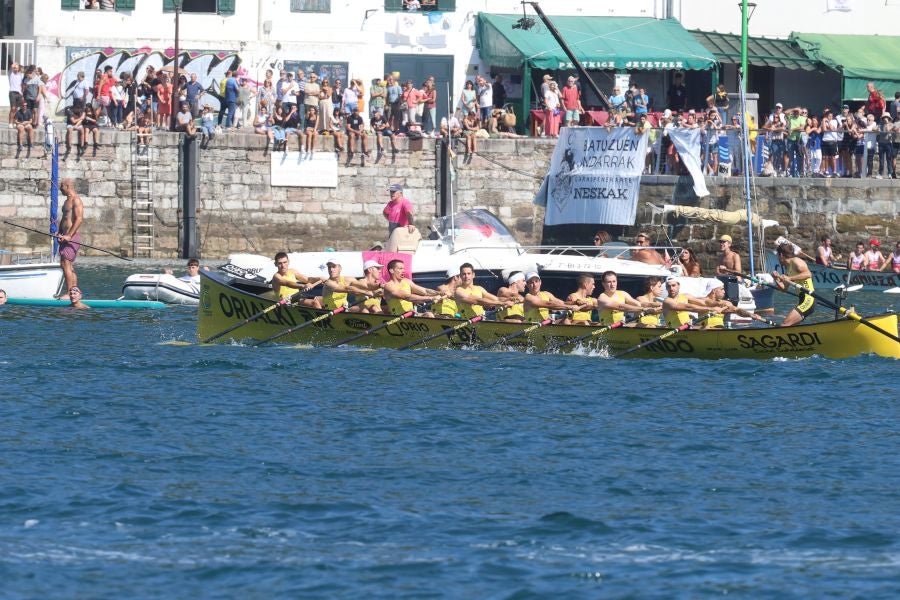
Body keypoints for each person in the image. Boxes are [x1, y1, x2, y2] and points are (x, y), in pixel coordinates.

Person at [772, 242, 815, 326]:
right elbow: (784, 289)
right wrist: (776, 279)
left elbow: (808, 274)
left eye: (777, 256)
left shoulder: (796, 261)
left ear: (781, 255)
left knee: (785, 324)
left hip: (808, 298)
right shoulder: (788, 269)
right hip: (802, 299)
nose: (777, 258)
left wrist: (790, 278)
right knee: (790, 326)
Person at [57, 179, 84, 299]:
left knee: (65, 262)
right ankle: (75, 292)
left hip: (72, 237)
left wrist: (69, 235)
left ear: (67, 186)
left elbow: (79, 219)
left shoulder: (76, 200)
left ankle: (69, 293)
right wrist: (59, 233)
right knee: (67, 265)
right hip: (64, 237)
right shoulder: (66, 202)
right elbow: (64, 219)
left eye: (61, 186)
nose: (60, 189)